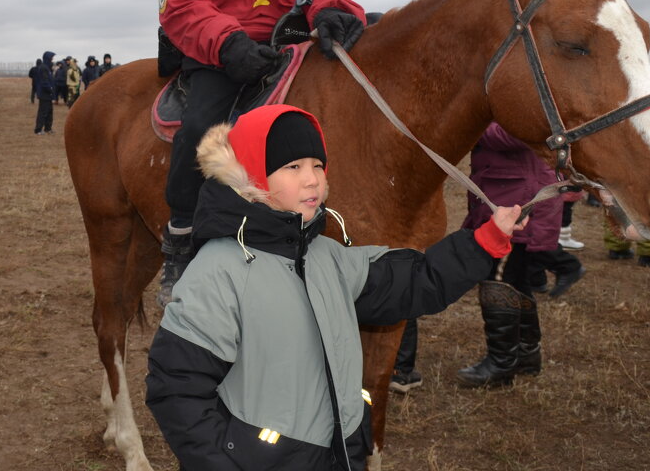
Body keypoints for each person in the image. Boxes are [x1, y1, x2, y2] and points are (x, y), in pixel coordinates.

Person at [145, 105, 523, 469]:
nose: (312, 179)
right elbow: (177, 388)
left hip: (338, 454)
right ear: (252, 176)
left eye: (317, 166)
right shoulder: (219, 271)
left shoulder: (329, 257)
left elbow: (416, 280)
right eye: (293, 167)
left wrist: (484, 242)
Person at [155, 0, 368, 306]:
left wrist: (333, 10)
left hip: (289, 47)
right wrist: (228, 43)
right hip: (222, 53)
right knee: (201, 124)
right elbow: (183, 2)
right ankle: (182, 237)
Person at [457, 123, 579, 388]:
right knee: (518, 282)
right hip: (513, 195)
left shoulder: (524, 103)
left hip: (516, 201)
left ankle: (501, 364)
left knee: (498, 280)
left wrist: (470, 124)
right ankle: (526, 354)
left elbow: (519, 132)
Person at [33, 51, 57, 134]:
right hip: (44, 94)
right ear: (48, 58)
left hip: (48, 94)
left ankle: (48, 128)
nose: (52, 60)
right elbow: (45, 82)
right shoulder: (43, 68)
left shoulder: (47, 68)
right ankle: (38, 130)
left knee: (49, 112)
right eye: (51, 58)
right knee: (43, 112)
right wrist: (50, 89)